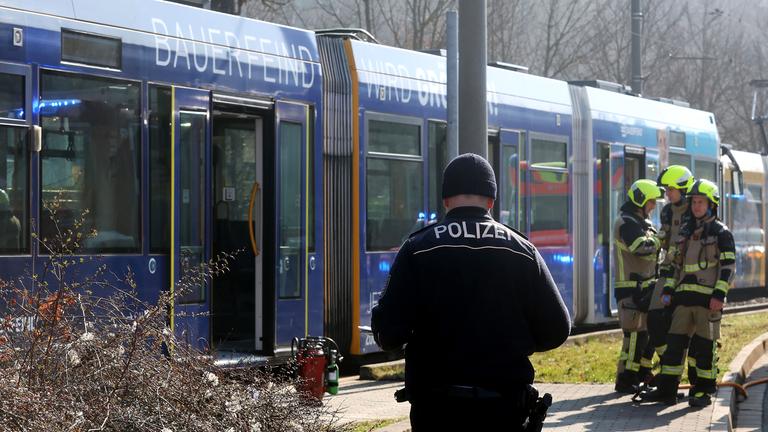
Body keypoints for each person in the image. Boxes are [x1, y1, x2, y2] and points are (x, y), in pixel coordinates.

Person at [371, 153, 571, 431]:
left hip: (436, 409)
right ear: (491, 201)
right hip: (503, 408)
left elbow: (388, 332)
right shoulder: (523, 250)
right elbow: (557, 329)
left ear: (446, 200)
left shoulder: (418, 248)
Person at [638, 179, 735, 407]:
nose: (697, 206)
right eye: (694, 202)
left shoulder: (721, 233)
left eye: (701, 202)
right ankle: (666, 392)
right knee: (673, 349)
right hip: (682, 301)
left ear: (712, 204)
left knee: (703, 350)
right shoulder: (685, 232)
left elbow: (728, 267)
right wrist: (668, 291)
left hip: (707, 302)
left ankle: (703, 392)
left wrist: (719, 296)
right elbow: (674, 266)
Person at [643, 166, 695, 386]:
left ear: (683, 188)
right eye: (666, 189)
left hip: (687, 274)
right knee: (654, 318)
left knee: (684, 330)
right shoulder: (667, 212)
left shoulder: (695, 211)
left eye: (670, 189)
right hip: (668, 270)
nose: (666, 194)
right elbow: (665, 238)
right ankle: (667, 363)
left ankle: (690, 380)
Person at [612, 179, 663, 394]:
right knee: (633, 337)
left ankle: (642, 374)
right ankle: (625, 379)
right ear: (641, 200)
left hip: (646, 289)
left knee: (646, 336)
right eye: (651, 201)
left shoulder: (644, 222)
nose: (653, 206)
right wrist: (661, 241)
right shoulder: (626, 223)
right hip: (630, 290)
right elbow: (640, 247)